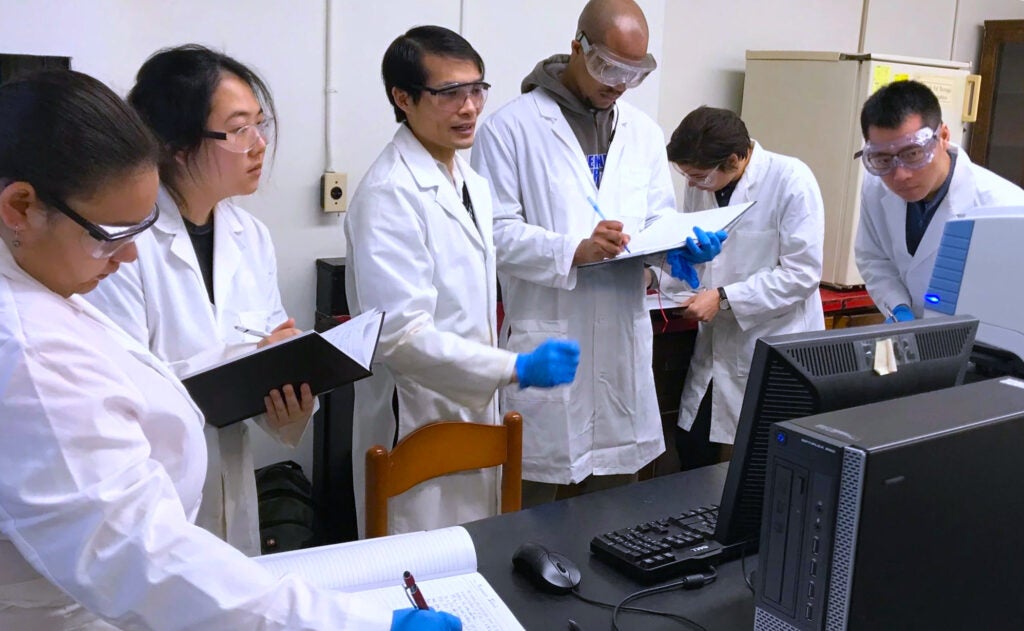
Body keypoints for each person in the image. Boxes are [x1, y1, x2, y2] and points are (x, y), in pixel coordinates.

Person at [0, 69, 459, 631]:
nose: (126, 258)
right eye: (110, 237)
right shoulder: (26, 347)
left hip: (195, 533)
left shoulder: (44, 281)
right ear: (19, 208)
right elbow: (141, 556)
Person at [471, 0, 721, 506]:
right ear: (576, 47)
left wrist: (677, 249)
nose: (618, 83)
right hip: (549, 333)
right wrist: (572, 251)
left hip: (622, 342)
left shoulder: (644, 133)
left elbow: (656, 220)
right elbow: (491, 233)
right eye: (608, 66)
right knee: (530, 506)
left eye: (633, 73)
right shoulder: (511, 128)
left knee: (614, 507)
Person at [345, 26, 580, 535]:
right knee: (418, 562)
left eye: (477, 90)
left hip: (472, 410)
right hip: (414, 417)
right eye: (449, 93)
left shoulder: (470, 182)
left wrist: (500, 370)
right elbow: (401, 337)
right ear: (402, 98)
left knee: (476, 553)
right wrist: (513, 366)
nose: (470, 107)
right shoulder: (390, 193)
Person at [85, 45, 312, 557]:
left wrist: (289, 395)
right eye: (238, 130)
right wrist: (245, 363)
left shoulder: (250, 236)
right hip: (150, 494)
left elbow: (266, 348)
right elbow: (122, 384)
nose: (259, 145)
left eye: (261, 124)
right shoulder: (122, 245)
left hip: (231, 480)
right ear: (176, 145)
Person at [662, 106, 825, 468]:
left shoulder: (790, 180)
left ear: (735, 160)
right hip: (716, 346)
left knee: (759, 466)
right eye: (685, 175)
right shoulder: (702, 185)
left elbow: (802, 274)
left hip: (771, 345)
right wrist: (681, 264)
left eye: (699, 176)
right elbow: (706, 256)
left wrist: (723, 298)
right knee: (693, 448)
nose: (691, 184)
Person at [855, 79, 1024, 320]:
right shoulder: (875, 188)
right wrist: (898, 306)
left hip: (985, 345)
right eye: (882, 159)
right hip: (910, 336)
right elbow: (873, 258)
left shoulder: (1005, 206)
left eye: (912, 154)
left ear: (943, 136)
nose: (900, 174)